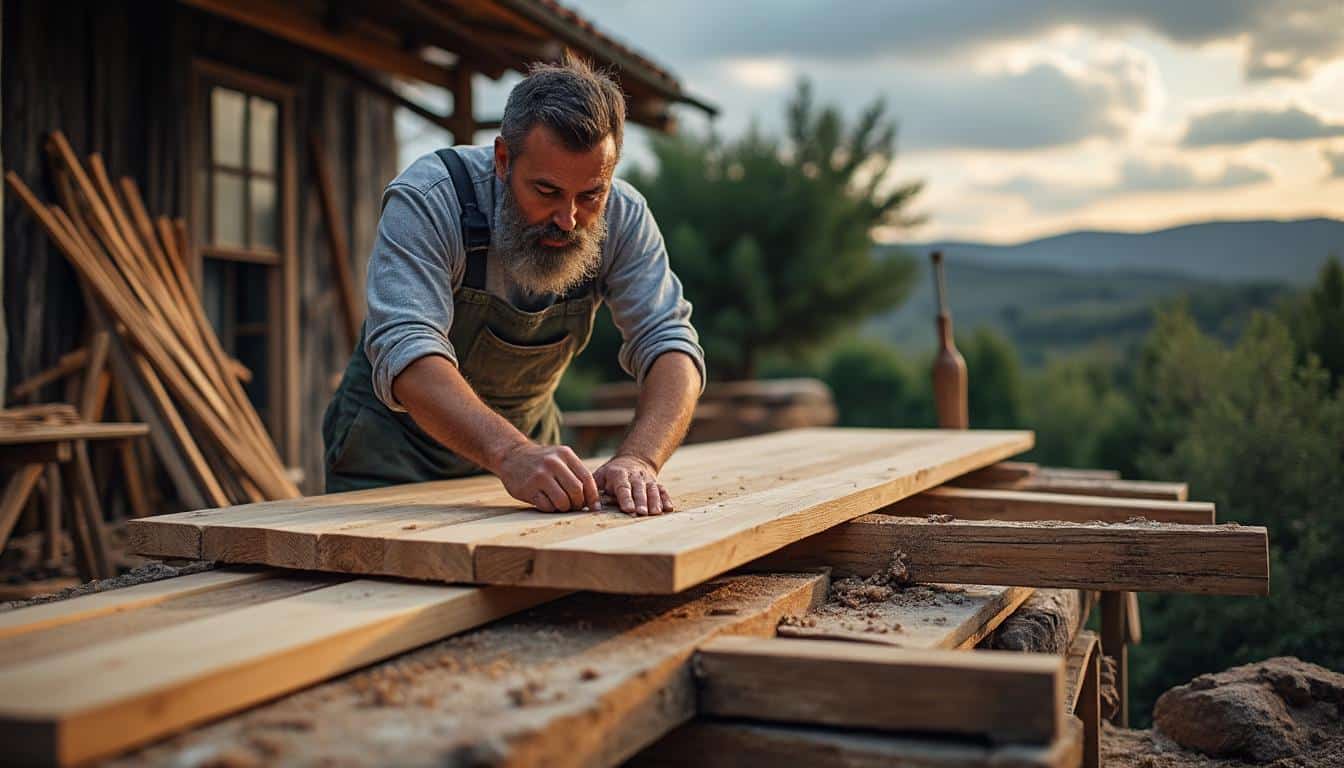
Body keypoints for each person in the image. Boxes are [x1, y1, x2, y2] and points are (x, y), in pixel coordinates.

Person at [322, 59, 704, 517]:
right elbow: (407, 349)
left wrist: (640, 457)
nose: (568, 220)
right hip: (389, 464)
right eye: (546, 191)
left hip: (529, 470)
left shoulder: (624, 217)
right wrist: (509, 453)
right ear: (503, 160)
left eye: (590, 195)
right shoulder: (431, 199)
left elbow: (670, 344)